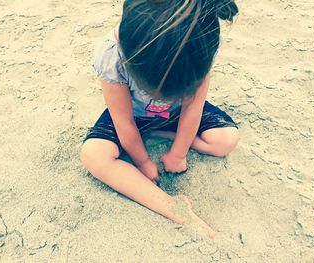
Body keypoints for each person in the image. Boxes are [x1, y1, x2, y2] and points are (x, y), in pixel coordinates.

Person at [80, 0, 239, 238]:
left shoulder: (202, 41)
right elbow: (123, 122)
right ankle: (170, 207)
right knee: (93, 155)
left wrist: (178, 153)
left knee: (226, 139)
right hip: (134, 114)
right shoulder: (113, 53)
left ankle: (159, 133)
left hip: (178, 114)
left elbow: (193, 107)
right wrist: (143, 161)